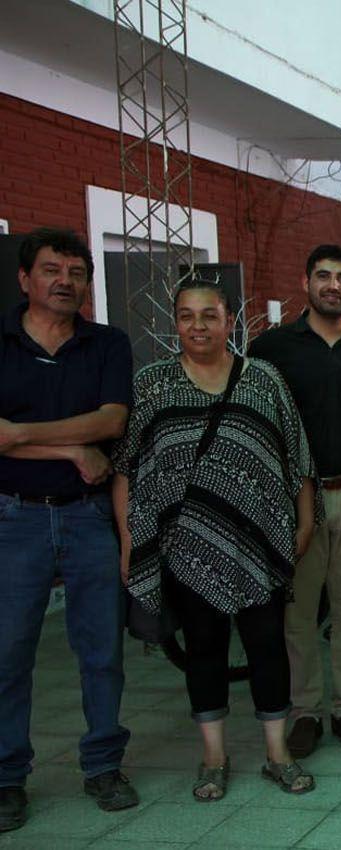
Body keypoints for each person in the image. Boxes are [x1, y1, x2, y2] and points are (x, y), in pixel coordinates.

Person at [113, 279, 318, 800]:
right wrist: (128, 544)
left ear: (231, 321)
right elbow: (128, 468)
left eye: (210, 315)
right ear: (175, 322)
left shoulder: (263, 380)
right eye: (187, 316)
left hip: (259, 543)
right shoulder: (154, 384)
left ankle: (277, 754)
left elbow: (297, 455)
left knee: (268, 648)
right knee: (203, 649)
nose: (198, 326)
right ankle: (213, 757)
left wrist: (304, 520)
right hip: (187, 548)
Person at [0, 228, 137, 831]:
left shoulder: (107, 343)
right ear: (25, 278)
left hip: (87, 517)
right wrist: (73, 450)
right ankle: (7, 777)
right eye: (52, 269)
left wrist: (23, 435)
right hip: (13, 517)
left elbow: (111, 421)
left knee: (101, 649)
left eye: (76, 272)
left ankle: (103, 765)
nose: (65, 281)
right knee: (8, 652)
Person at [247, 244, 341, 758]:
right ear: (306, 281)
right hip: (293, 501)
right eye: (324, 276)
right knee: (299, 615)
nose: (334, 285)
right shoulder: (271, 350)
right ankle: (305, 711)